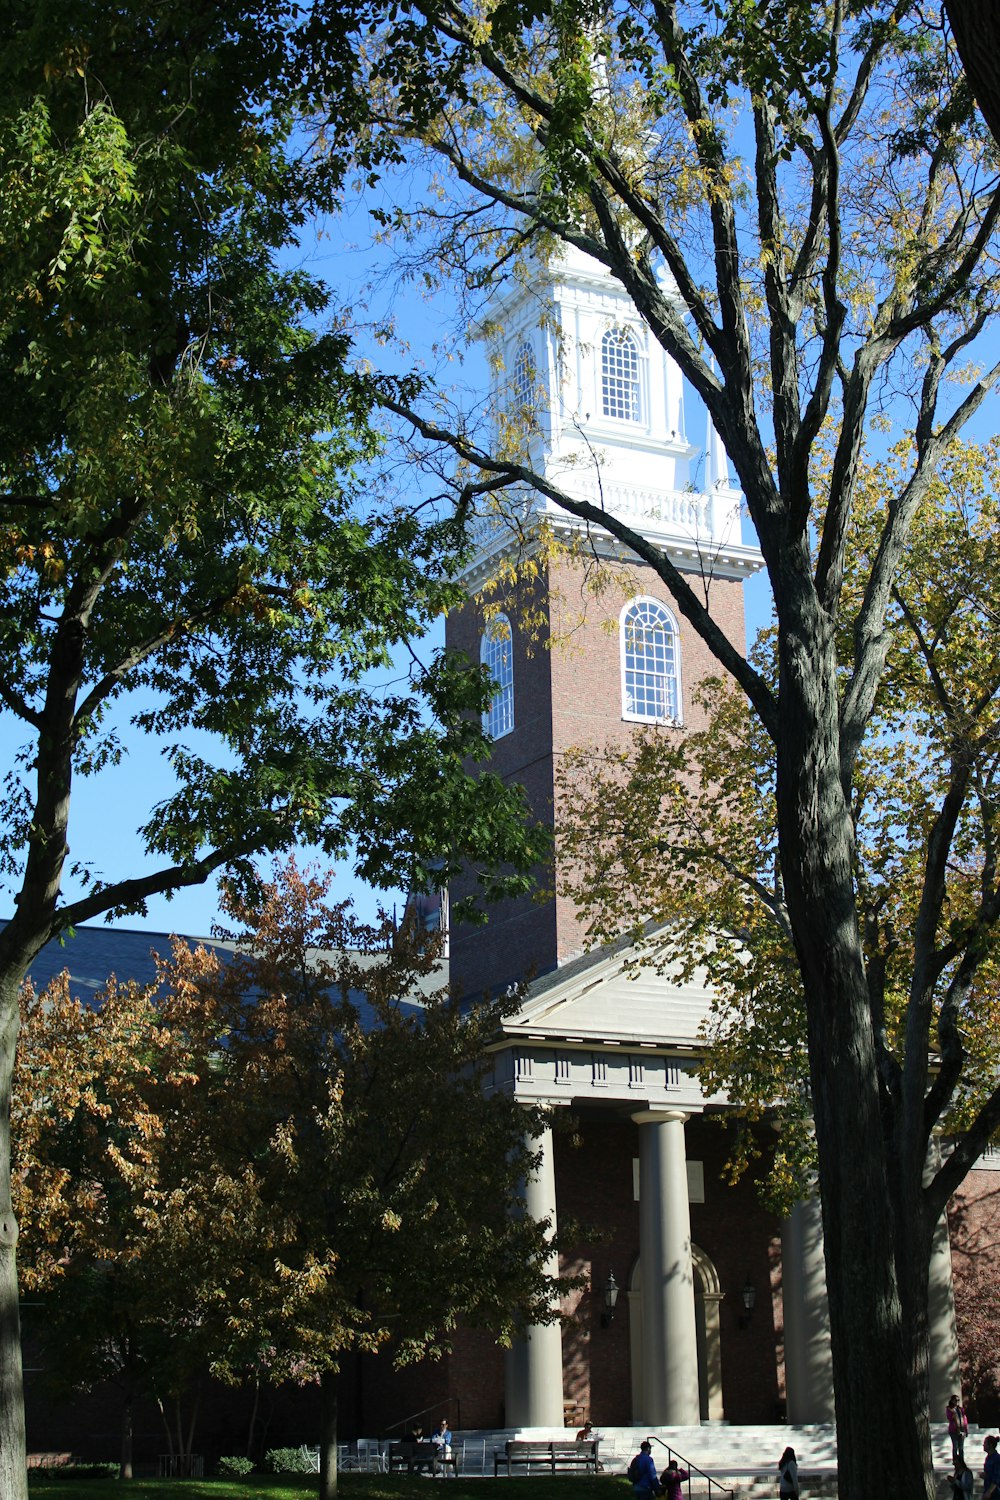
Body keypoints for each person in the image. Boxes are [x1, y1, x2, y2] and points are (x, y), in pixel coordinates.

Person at [949, 1396, 970, 1464]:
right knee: (955, 1446)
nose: (957, 1402)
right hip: (954, 1430)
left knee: (961, 1447)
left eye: (958, 1400)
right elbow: (950, 1418)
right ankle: (955, 1461)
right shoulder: (949, 1409)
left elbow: (964, 1419)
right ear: (952, 1401)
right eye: (956, 1400)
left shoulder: (961, 1409)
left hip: (962, 1429)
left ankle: (961, 1461)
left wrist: (966, 1429)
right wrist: (953, 1413)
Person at [983, 1436, 1000, 1500]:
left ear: (990, 1445)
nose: (983, 1445)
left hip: (995, 1492)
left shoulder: (997, 1458)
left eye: (985, 1443)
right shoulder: (988, 1458)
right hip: (987, 1487)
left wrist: (989, 1492)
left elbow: (997, 1477)